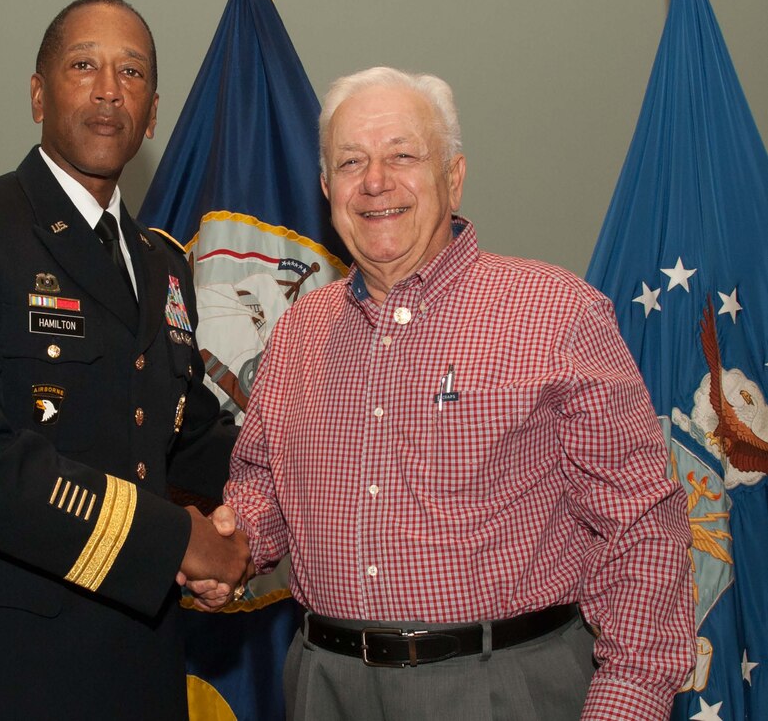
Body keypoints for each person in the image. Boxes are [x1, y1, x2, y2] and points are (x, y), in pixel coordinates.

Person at [190, 67, 694, 719]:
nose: (375, 181)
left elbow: (641, 529)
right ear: (325, 188)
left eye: (402, 155)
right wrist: (229, 548)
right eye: (351, 162)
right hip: (324, 688)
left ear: (453, 177)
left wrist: (628, 701)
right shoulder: (295, 334)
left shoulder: (555, 314)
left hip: (501, 689)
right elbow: (263, 485)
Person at [0, 0, 251, 720]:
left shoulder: (164, 264)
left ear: (150, 115)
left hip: (139, 667)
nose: (109, 88)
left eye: (132, 72)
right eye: (84, 65)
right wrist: (180, 540)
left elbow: (188, 436)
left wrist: (310, 473)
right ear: (38, 94)